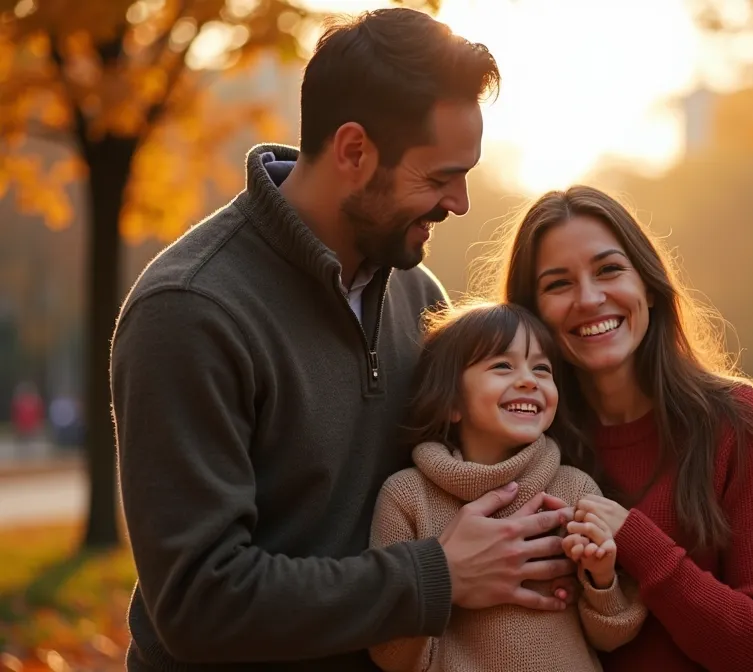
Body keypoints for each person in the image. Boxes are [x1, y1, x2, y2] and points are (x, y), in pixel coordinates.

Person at [111, 10, 576, 671]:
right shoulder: (191, 311)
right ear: (354, 151)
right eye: (439, 177)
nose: (460, 202)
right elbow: (199, 602)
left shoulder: (419, 297)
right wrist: (432, 577)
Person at [495, 185, 753, 671]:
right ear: (530, 315)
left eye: (609, 270)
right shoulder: (520, 441)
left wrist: (637, 541)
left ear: (649, 285)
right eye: (558, 284)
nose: (590, 298)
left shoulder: (736, 422)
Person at [369, 302, 646, 671]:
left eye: (542, 368)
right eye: (502, 365)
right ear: (451, 401)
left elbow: (613, 638)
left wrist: (602, 577)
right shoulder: (407, 497)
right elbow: (391, 656)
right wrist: (443, 585)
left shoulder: (575, 489)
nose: (529, 380)